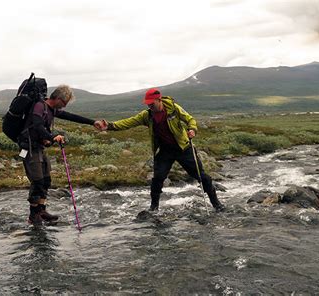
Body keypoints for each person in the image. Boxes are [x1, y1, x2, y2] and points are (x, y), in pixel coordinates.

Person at [101, 88, 225, 212]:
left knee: (202, 176)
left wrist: (192, 129)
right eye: (148, 104)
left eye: (152, 103)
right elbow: (129, 122)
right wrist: (110, 126)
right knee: (158, 178)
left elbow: (190, 119)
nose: (150, 106)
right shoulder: (147, 115)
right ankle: (154, 208)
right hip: (165, 150)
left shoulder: (173, 109)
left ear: (159, 100)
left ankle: (216, 204)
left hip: (183, 148)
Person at [18, 82, 104, 225]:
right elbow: (37, 125)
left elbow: (70, 116)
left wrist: (92, 122)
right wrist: (52, 137)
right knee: (37, 181)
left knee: (46, 180)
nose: (64, 106)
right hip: (29, 149)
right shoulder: (39, 106)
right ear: (57, 99)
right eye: (64, 103)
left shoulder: (51, 109)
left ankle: (41, 210)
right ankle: (33, 216)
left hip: (39, 148)